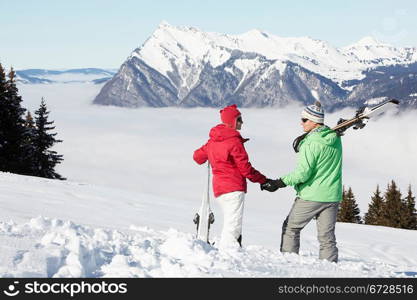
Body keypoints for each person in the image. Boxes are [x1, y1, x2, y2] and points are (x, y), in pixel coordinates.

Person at [262, 101, 343, 262]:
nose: (301, 123)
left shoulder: (312, 142)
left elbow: (302, 174)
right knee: (326, 237)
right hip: (332, 195)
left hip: (312, 195)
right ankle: (330, 270)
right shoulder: (334, 138)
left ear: (314, 121)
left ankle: (289, 263)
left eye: (304, 120)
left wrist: (279, 183)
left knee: (291, 228)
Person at [193, 104, 275, 248]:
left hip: (219, 190)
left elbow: (197, 157)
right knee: (232, 226)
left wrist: (211, 154)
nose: (242, 122)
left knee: (230, 222)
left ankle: (228, 251)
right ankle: (228, 255)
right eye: (239, 119)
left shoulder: (213, 141)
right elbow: (246, 169)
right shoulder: (234, 141)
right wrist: (264, 180)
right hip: (234, 188)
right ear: (232, 121)